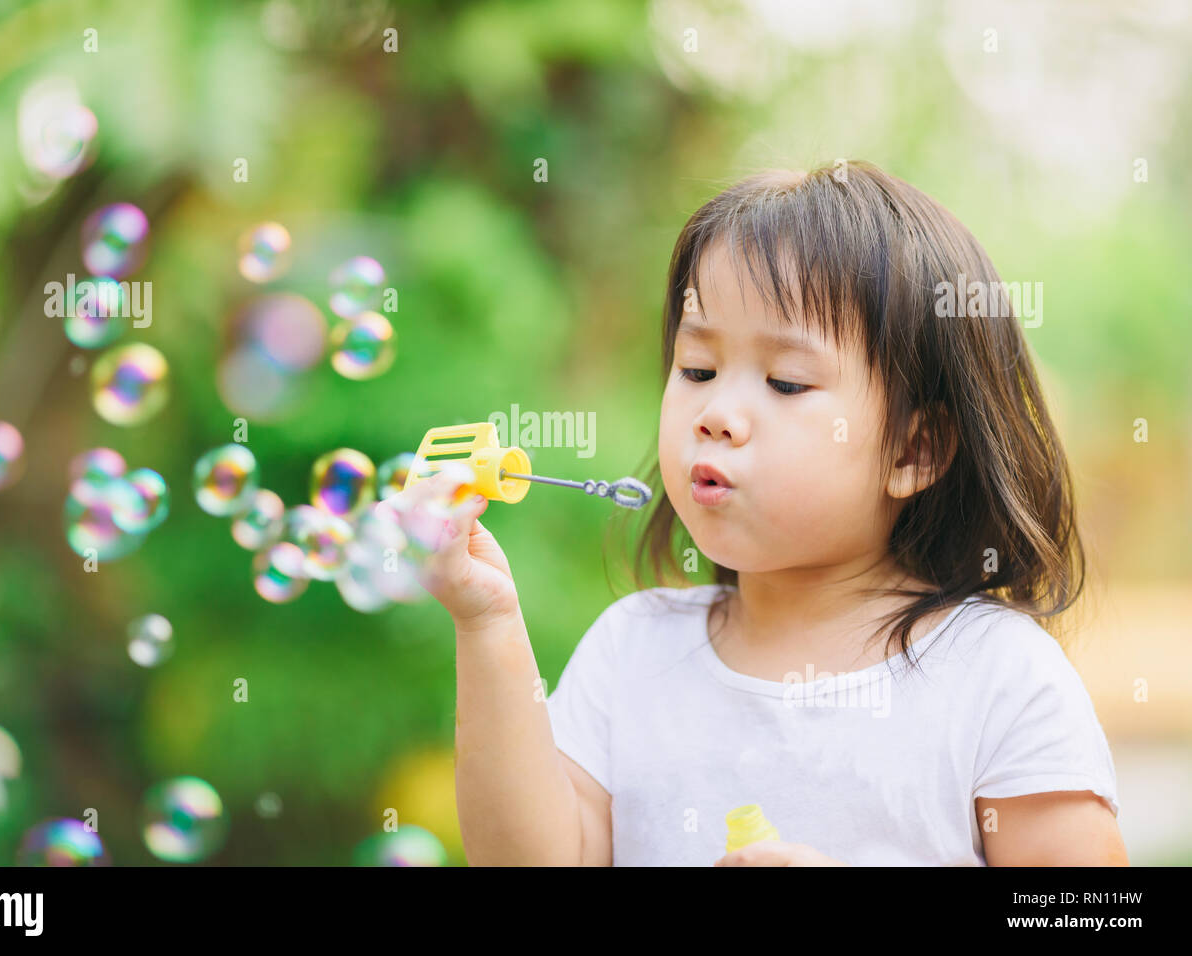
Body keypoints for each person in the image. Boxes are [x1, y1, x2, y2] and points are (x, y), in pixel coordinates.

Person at [395, 160, 1126, 866]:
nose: (716, 413)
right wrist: (485, 620)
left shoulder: (995, 676)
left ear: (916, 449)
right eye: (697, 369)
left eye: (784, 381)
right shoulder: (633, 653)